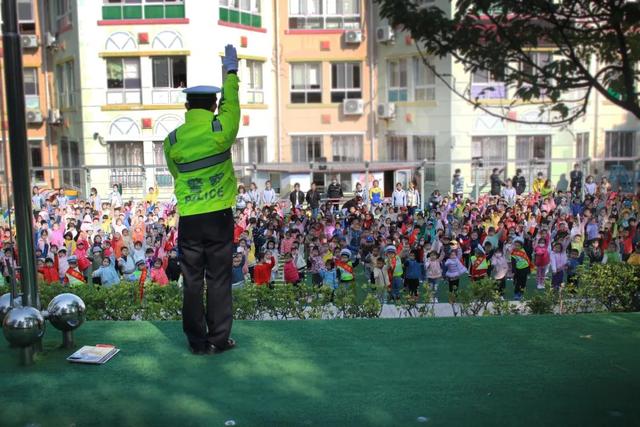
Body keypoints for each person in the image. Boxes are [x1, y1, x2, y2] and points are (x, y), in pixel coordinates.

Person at [163, 44, 240, 355]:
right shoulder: (222, 129)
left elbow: (176, 174)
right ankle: (218, 339)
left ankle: (196, 342)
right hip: (219, 216)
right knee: (219, 279)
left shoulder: (172, 140)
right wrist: (231, 74)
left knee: (192, 281)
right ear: (213, 106)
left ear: (187, 108)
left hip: (191, 220)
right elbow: (232, 106)